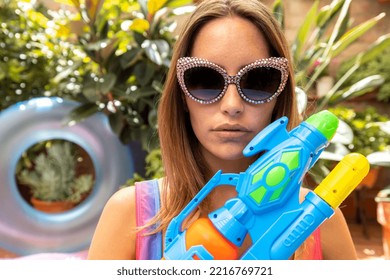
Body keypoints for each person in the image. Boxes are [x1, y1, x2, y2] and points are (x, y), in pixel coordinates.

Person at [87, 0, 357, 260]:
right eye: (204, 79)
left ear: (279, 95)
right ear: (182, 96)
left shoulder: (321, 223)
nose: (232, 105)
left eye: (258, 81)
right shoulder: (129, 216)